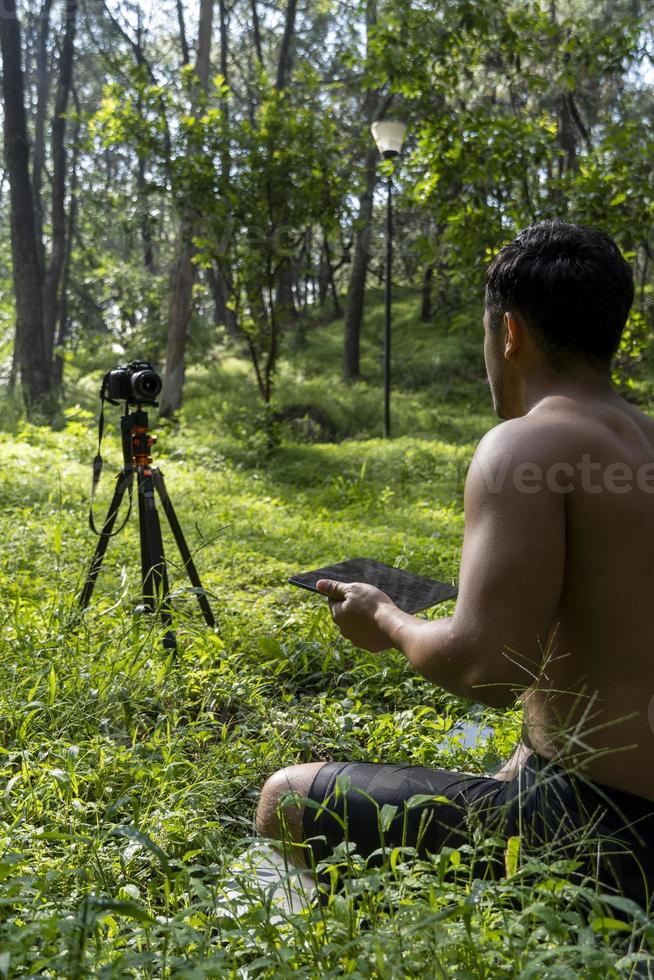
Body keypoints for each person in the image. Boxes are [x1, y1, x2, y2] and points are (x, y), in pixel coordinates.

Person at [256, 220, 654, 907]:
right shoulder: (641, 439)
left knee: (284, 797)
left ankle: (289, 949)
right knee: (502, 775)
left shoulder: (524, 447)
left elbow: (486, 670)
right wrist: (528, 757)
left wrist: (384, 617)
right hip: (620, 804)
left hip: (600, 834)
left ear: (510, 334)